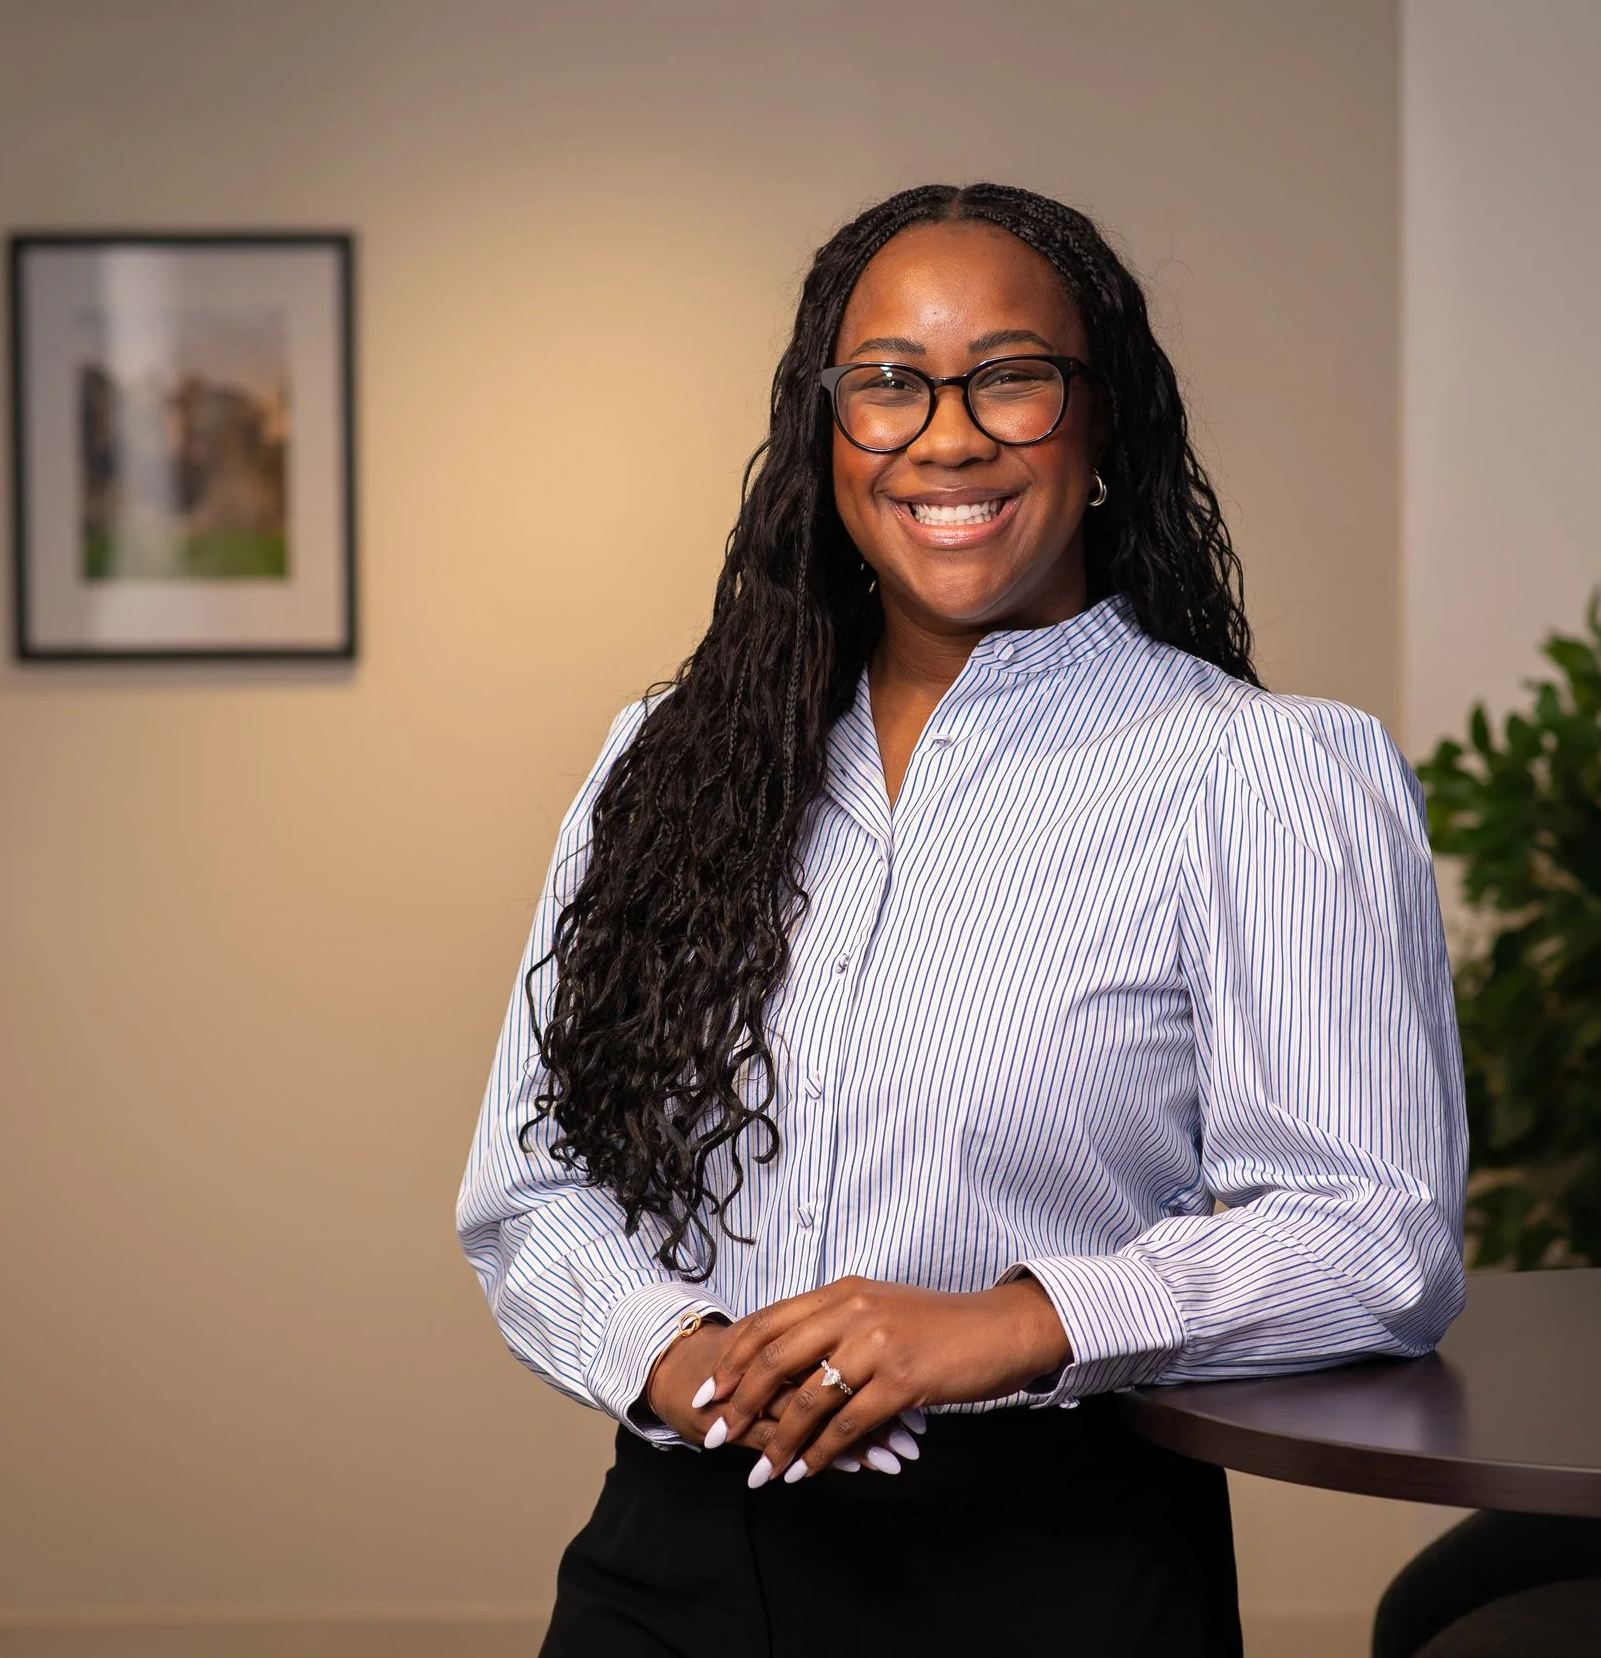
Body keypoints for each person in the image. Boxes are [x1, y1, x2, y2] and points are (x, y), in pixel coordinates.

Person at [456, 181, 1467, 1658]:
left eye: (1011, 375)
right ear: (827, 428)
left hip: (1047, 1568)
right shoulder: (666, 759)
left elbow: (1376, 1239)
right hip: (669, 1558)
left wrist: (1010, 1319)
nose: (948, 433)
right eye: (890, 383)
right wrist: (677, 1357)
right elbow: (531, 1185)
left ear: (1103, 420)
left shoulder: (1259, 773)